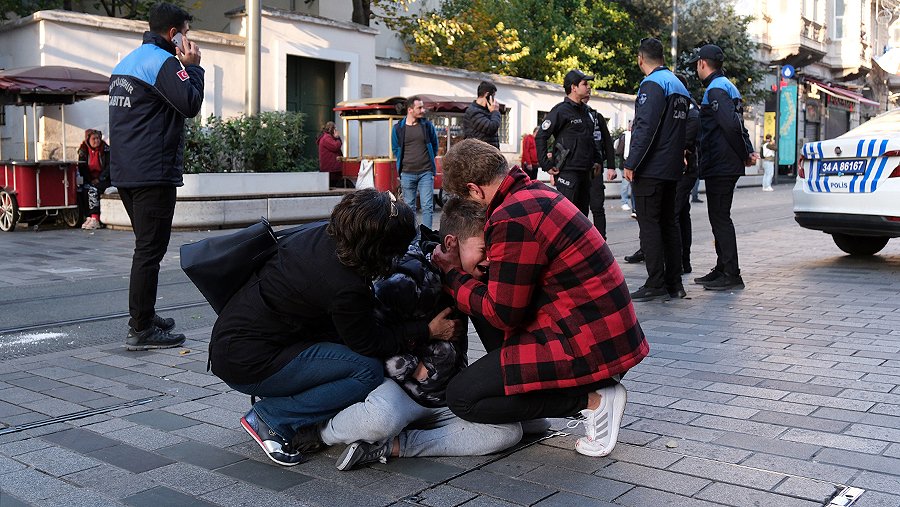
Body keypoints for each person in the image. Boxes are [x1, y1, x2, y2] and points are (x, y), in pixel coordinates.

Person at [209, 189, 463, 467]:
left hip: (234, 343)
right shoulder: (345, 286)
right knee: (365, 371)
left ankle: (288, 403)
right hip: (249, 362)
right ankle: (272, 418)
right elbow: (369, 343)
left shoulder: (324, 235)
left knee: (343, 357)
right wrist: (427, 331)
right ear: (380, 248)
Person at [433, 139, 649, 458]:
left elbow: (503, 313)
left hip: (587, 343)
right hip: (602, 333)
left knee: (463, 397)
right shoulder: (535, 193)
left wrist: (452, 275)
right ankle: (535, 408)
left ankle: (593, 400)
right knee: (482, 292)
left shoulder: (510, 216)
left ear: (474, 190)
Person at [322, 197, 522, 471]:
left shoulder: (470, 279)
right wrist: (410, 367)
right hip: (402, 392)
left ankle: (395, 446)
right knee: (380, 419)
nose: (490, 259)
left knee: (509, 431)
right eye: (483, 249)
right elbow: (367, 338)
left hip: (446, 395)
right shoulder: (406, 279)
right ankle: (319, 432)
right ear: (451, 243)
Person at [109, 2, 203, 351]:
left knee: (146, 248)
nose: (188, 39)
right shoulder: (164, 63)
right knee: (149, 251)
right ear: (173, 33)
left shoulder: (125, 63)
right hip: (153, 172)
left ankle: (144, 315)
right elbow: (190, 104)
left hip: (127, 172)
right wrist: (193, 67)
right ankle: (141, 328)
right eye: (186, 32)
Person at [622, 38, 691, 302]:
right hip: (672, 168)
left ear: (641, 58)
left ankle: (655, 283)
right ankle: (675, 283)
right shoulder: (679, 85)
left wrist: (631, 162)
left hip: (651, 168)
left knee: (649, 224)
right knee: (669, 224)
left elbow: (645, 127)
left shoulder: (652, 84)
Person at [688, 44, 758, 291]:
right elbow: (739, 124)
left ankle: (731, 274)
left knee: (720, 218)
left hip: (721, 163)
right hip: (725, 162)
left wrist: (744, 153)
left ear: (702, 63)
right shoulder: (728, 86)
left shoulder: (715, 89)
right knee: (718, 217)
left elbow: (730, 125)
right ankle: (722, 268)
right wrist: (747, 150)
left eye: (697, 64)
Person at [535, 69, 603, 218]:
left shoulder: (587, 112)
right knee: (566, 218)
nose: (589, 87)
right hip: (568, 172)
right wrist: (546, 164)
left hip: (585, 172)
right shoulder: (561, 110)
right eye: (584, 84)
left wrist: (597, 160)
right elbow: (541, 136)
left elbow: (590, 139)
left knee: (582, 218)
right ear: (573, 87)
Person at [391, 95, 439, 228]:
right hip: (407, 173)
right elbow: (395, 148)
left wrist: (430, 161)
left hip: (426, 172)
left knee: (427, 206)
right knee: (409, 207)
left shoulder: (427, 126)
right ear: (410, 110)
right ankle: (412, 236)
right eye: (420, 108)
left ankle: (427, 235)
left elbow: (434, 145)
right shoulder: (398, 128)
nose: (423, 110)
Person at [674, 74, 701, 276]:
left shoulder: (689, 109)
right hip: (684, 170)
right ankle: (684, 261)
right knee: (682, 214)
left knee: (674, 214)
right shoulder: (686, 107)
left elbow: (686, 139)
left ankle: (678, 261)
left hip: (684, 170)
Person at [585, 95, 618, 239]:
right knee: (577, 209)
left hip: (595, 169)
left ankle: (600, 240)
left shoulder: (596, 117)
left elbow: (608, 142)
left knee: (597, 206)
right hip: (574, 170)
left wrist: (611, 166)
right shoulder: (564, 113)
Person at [77, 129, 110, 230]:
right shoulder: (83, 150)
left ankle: (96, 219)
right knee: (83, 190)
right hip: (90, 179)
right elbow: (82, 167)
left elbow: (109, 167)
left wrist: (99, 179)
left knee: (93, 190)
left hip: (104, 179)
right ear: (88, 140)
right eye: (94, 139)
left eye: (98, 138)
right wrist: (90, 180)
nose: (97, 141)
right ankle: (89, 217)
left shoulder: (106, 149)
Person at [463, 81, 501, 148]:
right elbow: (491, 127)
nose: (494, 100)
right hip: (479, 152)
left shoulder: (487, 110)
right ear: (487, 95)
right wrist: (495, 112)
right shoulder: (473, 111)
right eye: (493, 96)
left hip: (488, 151)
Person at [317, 121, 343, 188]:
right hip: (331, 169)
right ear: (333, 130)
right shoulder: (327, 138)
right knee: (334, 185)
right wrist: (337, 138)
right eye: (335, 129)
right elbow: (335, 147)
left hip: (331, 168)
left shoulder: (327, 137)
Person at [616, 125, 633, 211]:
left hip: (623, 163)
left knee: (625, 183)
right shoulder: (627, 136)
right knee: (628, 184)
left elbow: (618, 150)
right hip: (627, 163)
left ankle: (624, 203)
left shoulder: (623, 135)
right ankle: (627, 203)